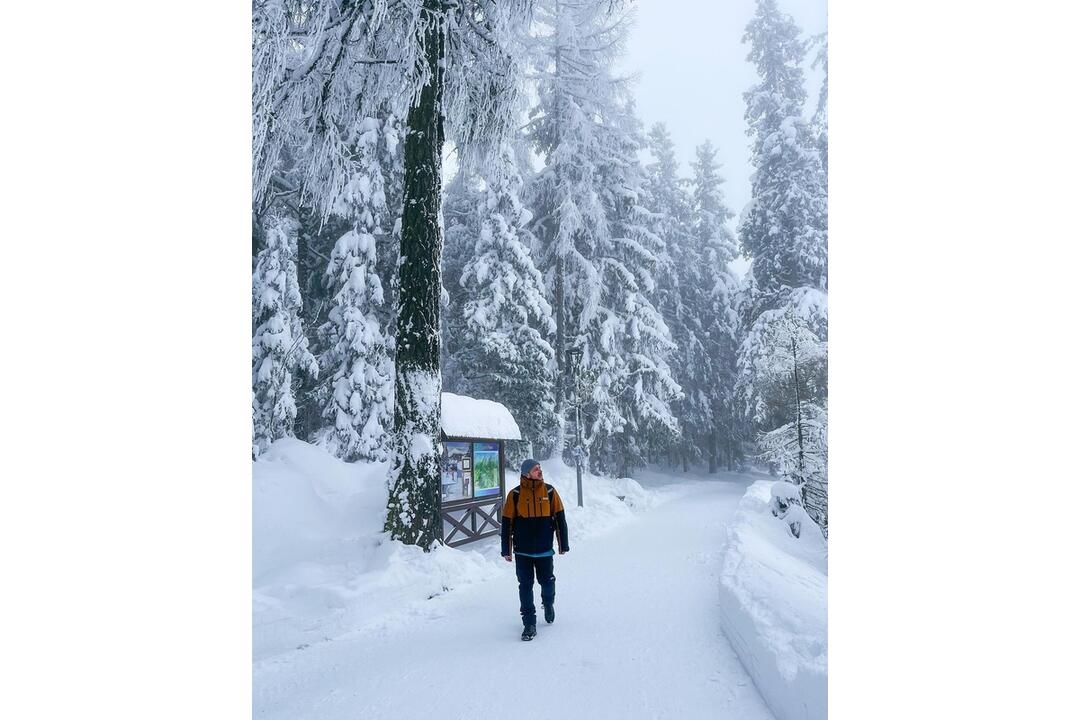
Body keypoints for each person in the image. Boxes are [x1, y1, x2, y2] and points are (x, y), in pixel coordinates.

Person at [501, 458, 570, 641]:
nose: (540, 471)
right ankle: (529, 623)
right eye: (535, 469)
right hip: (522, 551)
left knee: (547, 582)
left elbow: (560, 518)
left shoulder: (550, 491)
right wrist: (506, 550)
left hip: (544, 550)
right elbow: (507, 523)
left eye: (540, 468)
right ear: (526, 473)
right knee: (525, 586)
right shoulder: (514, 495)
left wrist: (563, 544)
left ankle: (548, 603)